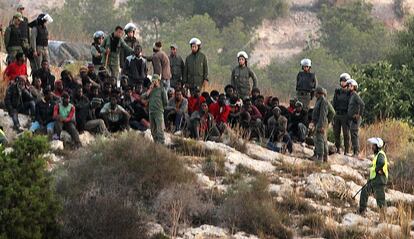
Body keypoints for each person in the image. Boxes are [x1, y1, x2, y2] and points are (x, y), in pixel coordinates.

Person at [359, 137, 388, 215]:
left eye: (374, 146)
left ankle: (383, 218)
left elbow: (381, 163)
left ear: (378, 146)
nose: (372, 147)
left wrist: (376, 170)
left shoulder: (381, 154)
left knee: (380, 200)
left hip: (379, 181)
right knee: (364, 191)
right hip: (374, 180)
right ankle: (362, 211)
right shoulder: (378, 154)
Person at [141, 74, 168, 144]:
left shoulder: (162, 89)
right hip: (151, 112)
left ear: (158, 81)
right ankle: (156, 144)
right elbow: (143, 97)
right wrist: (150, 89)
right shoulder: (151, 90)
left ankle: (161, 144)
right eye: (152, 81)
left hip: (158, 112)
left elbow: (166, 102)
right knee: (153, 131)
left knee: (160, 130)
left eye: (155, 81)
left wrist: (160, 107)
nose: (154, 83)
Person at [333, 73, 352, 154]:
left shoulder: (350, 93)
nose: (342, 83)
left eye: (344, 81)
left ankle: (346, 150)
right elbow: (334, 103)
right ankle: (337, 148)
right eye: (341, 81)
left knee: (346, 134)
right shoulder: (337, 92)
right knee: (336, 133)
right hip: (337, 114)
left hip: (345, 115)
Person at [310, 86, 328, 162]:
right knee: (318, 139)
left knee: (320, 139)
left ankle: (321, 157)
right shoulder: (318, 100)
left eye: (315, 92)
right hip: (317, 122)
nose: (314, 94)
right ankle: (320, 156)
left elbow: (322, 115)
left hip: (321, 123)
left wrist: (321, 126)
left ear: (318, 93)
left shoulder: (323, 101)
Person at [347, 79, 365, 157]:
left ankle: (356, 152)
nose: (349, 87)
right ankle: (354, 151)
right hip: (351, 118)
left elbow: (362, 104)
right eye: (348, 86)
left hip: (356, 119)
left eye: (351, 86)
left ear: (354, 87)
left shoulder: (355, 95)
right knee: (352, 133)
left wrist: (359, 115)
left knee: (354, 134)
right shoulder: (351, 95)